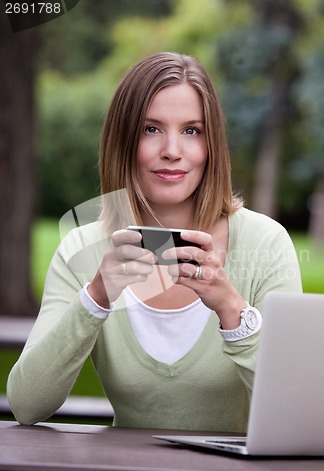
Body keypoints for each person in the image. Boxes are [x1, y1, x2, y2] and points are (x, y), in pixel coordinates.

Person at [7, 52, 302, 434]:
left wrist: (231, 309)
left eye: (192, 130)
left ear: (212, 145)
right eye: (151, 129)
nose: (173, 150)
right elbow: (27, 404)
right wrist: (96, 296)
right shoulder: (83, 248)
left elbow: (295, 409)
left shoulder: (266, 243)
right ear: (123, 140)